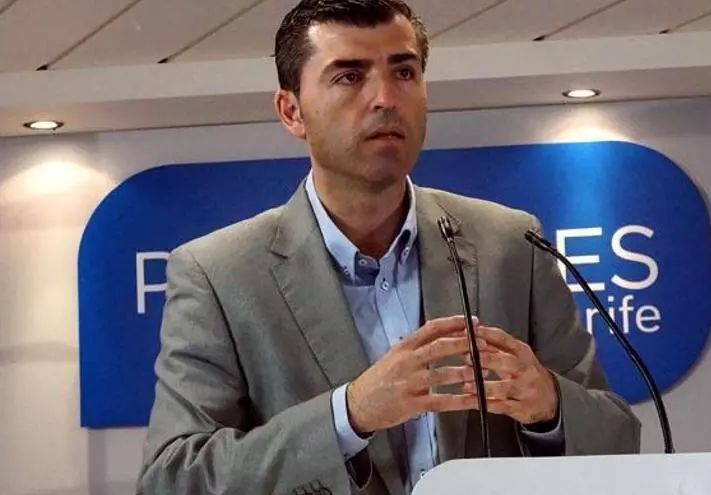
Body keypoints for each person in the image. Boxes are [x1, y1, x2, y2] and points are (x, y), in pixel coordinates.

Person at [136, 1, 640, 494]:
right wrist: (350, 413)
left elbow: (617, 435)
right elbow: (174, 478)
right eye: (349, 76)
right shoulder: (217, 273)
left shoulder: (511, 243)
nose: (385, 98)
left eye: (404, 72)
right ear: (292, 111)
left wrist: (549, 407)